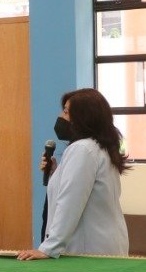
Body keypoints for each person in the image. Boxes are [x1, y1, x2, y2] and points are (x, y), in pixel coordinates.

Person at [18, 89, 130, 260]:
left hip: (88, 251)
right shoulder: (97, 147)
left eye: (66, 112)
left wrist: (49, 248)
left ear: (83, 118)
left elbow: (70, 201)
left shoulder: (82, 149)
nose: (60, 117)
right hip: (104, 246)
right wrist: (56, 173)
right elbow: (81, 190)